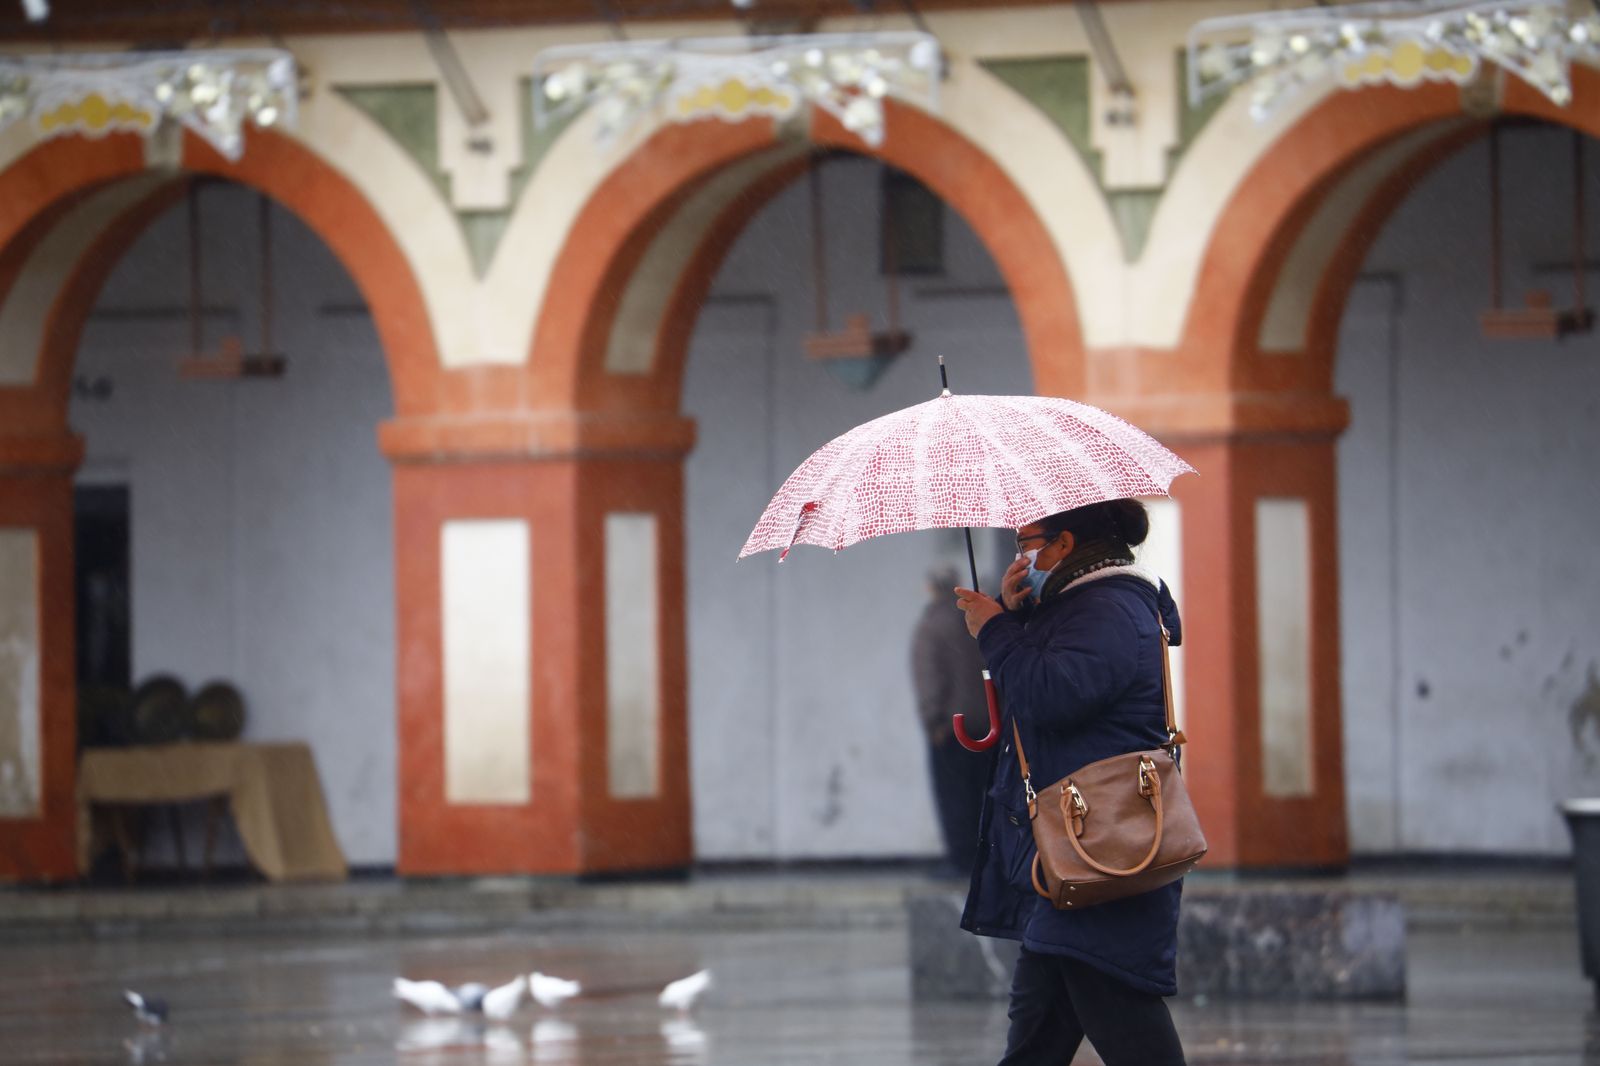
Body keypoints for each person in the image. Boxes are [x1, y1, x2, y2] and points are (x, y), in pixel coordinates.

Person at [952, 499, 1188, 1066]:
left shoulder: (1106, 607)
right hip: (1074, 853)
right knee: (1038, 1034)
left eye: (1025, 543)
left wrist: (996, 630)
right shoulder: (1085, 604)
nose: (1021, 555)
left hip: (1102, 849)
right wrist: (1018, 614)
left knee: (1120, 1013)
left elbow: (1053, 695)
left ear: (1063, 545)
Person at [910, 565, 992, 874]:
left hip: (951, 726)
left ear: (931, 588)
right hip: (987, 723)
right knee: (982, 794)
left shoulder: (930, 627)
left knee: (954, 795)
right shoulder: (972, 621)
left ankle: (961, 861)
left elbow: (929, 678)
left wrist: (933, 721)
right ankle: (985, 860)